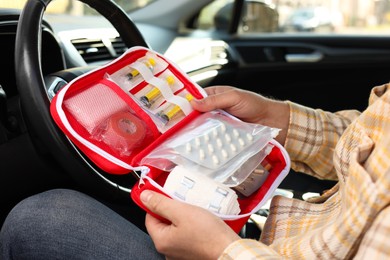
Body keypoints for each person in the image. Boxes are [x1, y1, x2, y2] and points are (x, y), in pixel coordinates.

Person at [1, 83, 390, 259]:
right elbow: (374, 136)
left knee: (39, 220)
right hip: (279, 240)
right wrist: (276, 117)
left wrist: (221, 251)